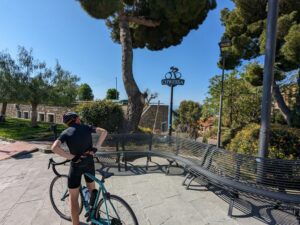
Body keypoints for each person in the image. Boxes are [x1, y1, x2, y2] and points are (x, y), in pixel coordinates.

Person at [51, 112, 107, 225]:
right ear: (76, 119)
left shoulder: (65, 132)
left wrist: (72, 157)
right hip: (89, 163)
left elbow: (54, 148)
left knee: (73, 199)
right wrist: (96, 148)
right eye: (79, 118)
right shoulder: (87, 127)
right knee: (92, 190)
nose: (80, 119)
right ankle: (95, 216)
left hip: (76, 166)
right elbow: (104, 132)